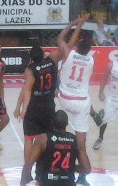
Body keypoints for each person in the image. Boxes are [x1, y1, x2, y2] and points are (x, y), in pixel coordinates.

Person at [14, 17, 84, 158]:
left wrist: (22, 110)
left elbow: (26, 91)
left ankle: (28, 170)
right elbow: (69, 45)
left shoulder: (30, 70)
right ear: (42, 53)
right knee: (47, 138)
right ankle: (45, 165)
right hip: (48, 106)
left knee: (29, 139)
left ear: (31, 57)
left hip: (34, 107)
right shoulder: (52, 60)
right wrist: (76, 25)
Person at [56, 14, 96, 174]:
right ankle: (83, 171)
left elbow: (60, 38)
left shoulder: (69, 54)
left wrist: (76, 23)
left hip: (65, 99)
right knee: (81, 144)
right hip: (81, 103)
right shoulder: (91, 61)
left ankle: (56, 156)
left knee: (53, 88)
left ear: (77, 46)